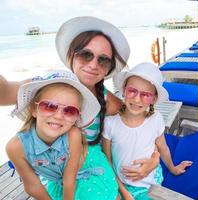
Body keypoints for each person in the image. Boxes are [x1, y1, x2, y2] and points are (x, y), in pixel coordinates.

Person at [1, 16, 160, 197]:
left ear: (108, 68)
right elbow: (4, 92)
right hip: (56, 170)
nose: (93, 65)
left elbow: (142, 125)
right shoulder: (47, 87)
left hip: (92, 165)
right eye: (86, 54)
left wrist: (155, 158)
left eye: (103, 60)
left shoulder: (108, 101)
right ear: (71, 55)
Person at [6, 70, 102, 199]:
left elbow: (69, 179)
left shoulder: (73, 135)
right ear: (34, 109)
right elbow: (33, 186)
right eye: (49, 106)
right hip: (59, 180)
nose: (58, 116)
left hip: (82, 168)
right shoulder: (15, 147)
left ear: (76, 118)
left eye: (69, 110)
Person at [102, 62, 193, 199]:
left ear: (154, 99)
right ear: (123, 90)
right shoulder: (110, 123)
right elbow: (107, 160)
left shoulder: (155, 120)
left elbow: (163, 148)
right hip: (121, 183)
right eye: (132, 91)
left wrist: (173, 169)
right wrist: (122, 191)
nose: (137, 99)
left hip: (149, 183)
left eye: (146, 95)